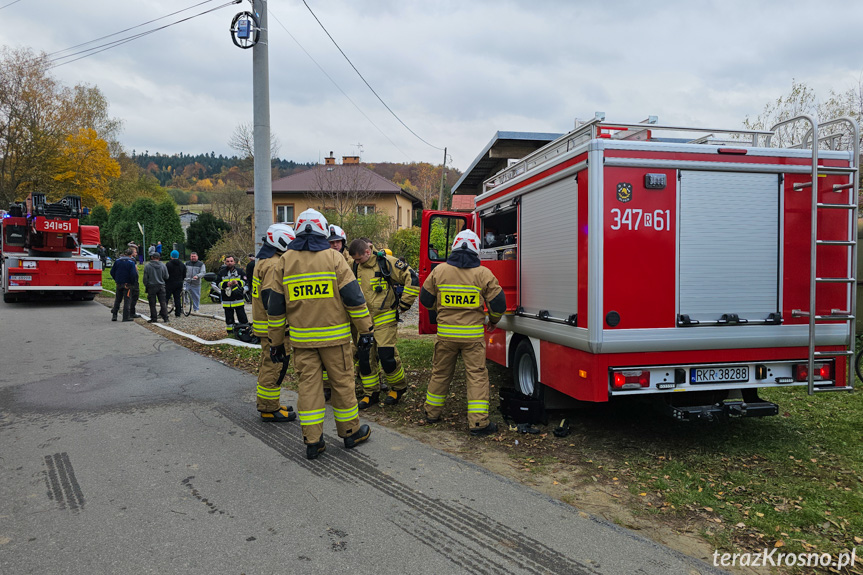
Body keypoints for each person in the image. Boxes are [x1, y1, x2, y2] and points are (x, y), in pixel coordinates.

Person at [265, 208, 374, 460]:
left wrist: (276, 342)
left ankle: (313, 441)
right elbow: (354, 299)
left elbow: (275, 307)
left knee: (309, 389)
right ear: (324, 230)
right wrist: (366, 330)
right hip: (335, 341)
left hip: (302, 342)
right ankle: (350, 432)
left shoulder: (285, 261)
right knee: (342, 385)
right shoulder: (334, 258)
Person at [420, 229, 507, 436]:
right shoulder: (483, 273)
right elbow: (499, 303)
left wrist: (439, 312)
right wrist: (493, 321)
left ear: (454, 247)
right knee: (476, 376)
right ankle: (478, 423)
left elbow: (425, 300)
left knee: (440, 374)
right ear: (476, 250)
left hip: (446, 337)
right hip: (472, 338)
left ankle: (431, 413)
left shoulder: (439, 271)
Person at [349, 238, 420, 409]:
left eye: (359, 259)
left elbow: (412, 277)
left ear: (368, 252)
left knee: (386, 355)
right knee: (365, 358)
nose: (356, 262)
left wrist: (404, 304)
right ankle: (370, 393)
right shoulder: (355, 266)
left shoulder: (386, 262)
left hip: (385, 317)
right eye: (355, 260)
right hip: (364, 320)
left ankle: (398, 387)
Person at [252, 223, 297, 422]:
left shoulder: (264, 260)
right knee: (274, 366)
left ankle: (269, 404)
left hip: (264, 326)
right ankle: (269, 408)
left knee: (268, 364)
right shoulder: (273, 265)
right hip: (273, 328)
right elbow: (273, 301)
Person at [216, 255, 248, 335]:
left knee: (242, 318)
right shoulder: (221, 272)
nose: (229, 263)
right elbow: (217, 284)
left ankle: (245, 333)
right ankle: (230, 334)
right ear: (225, 262)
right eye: (228, 261)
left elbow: (246, 282)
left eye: (231, 261)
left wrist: (238, 283)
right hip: (227, 301)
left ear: (234, 262)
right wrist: (227, 284)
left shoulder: (240, 271)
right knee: (229, 320)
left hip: (238, 300)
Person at [110, 247, 138, 322]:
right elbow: (133, 274)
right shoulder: (131, 262)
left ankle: (114, 315)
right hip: (127, 284)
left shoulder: (117, 261)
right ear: (130, 255)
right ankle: (125, 317)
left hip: (119, 283)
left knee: (118, 300)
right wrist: (132, 282)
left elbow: (112, 272)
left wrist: (116, 279)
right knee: (127, 300)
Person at [143, 252, 170, 323]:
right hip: (161, 286)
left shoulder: (147, 266)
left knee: (152, 303)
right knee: (163, 302)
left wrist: (146, 285)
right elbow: (166, 276)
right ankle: (165, 317)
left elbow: (145, 278)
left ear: (152, 257)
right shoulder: (163, 265)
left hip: (151, 286)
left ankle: (154, 318)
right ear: (159, 258)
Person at [165, 250, 186, 317]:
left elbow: (165, 274)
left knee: (166, 298)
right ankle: (178, 313)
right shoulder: (182, 264)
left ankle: (164, 311)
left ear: (171, 256)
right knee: (177, 298)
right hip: (179, 283)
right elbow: (184, 275)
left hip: (169, 283)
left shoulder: (168, 264)